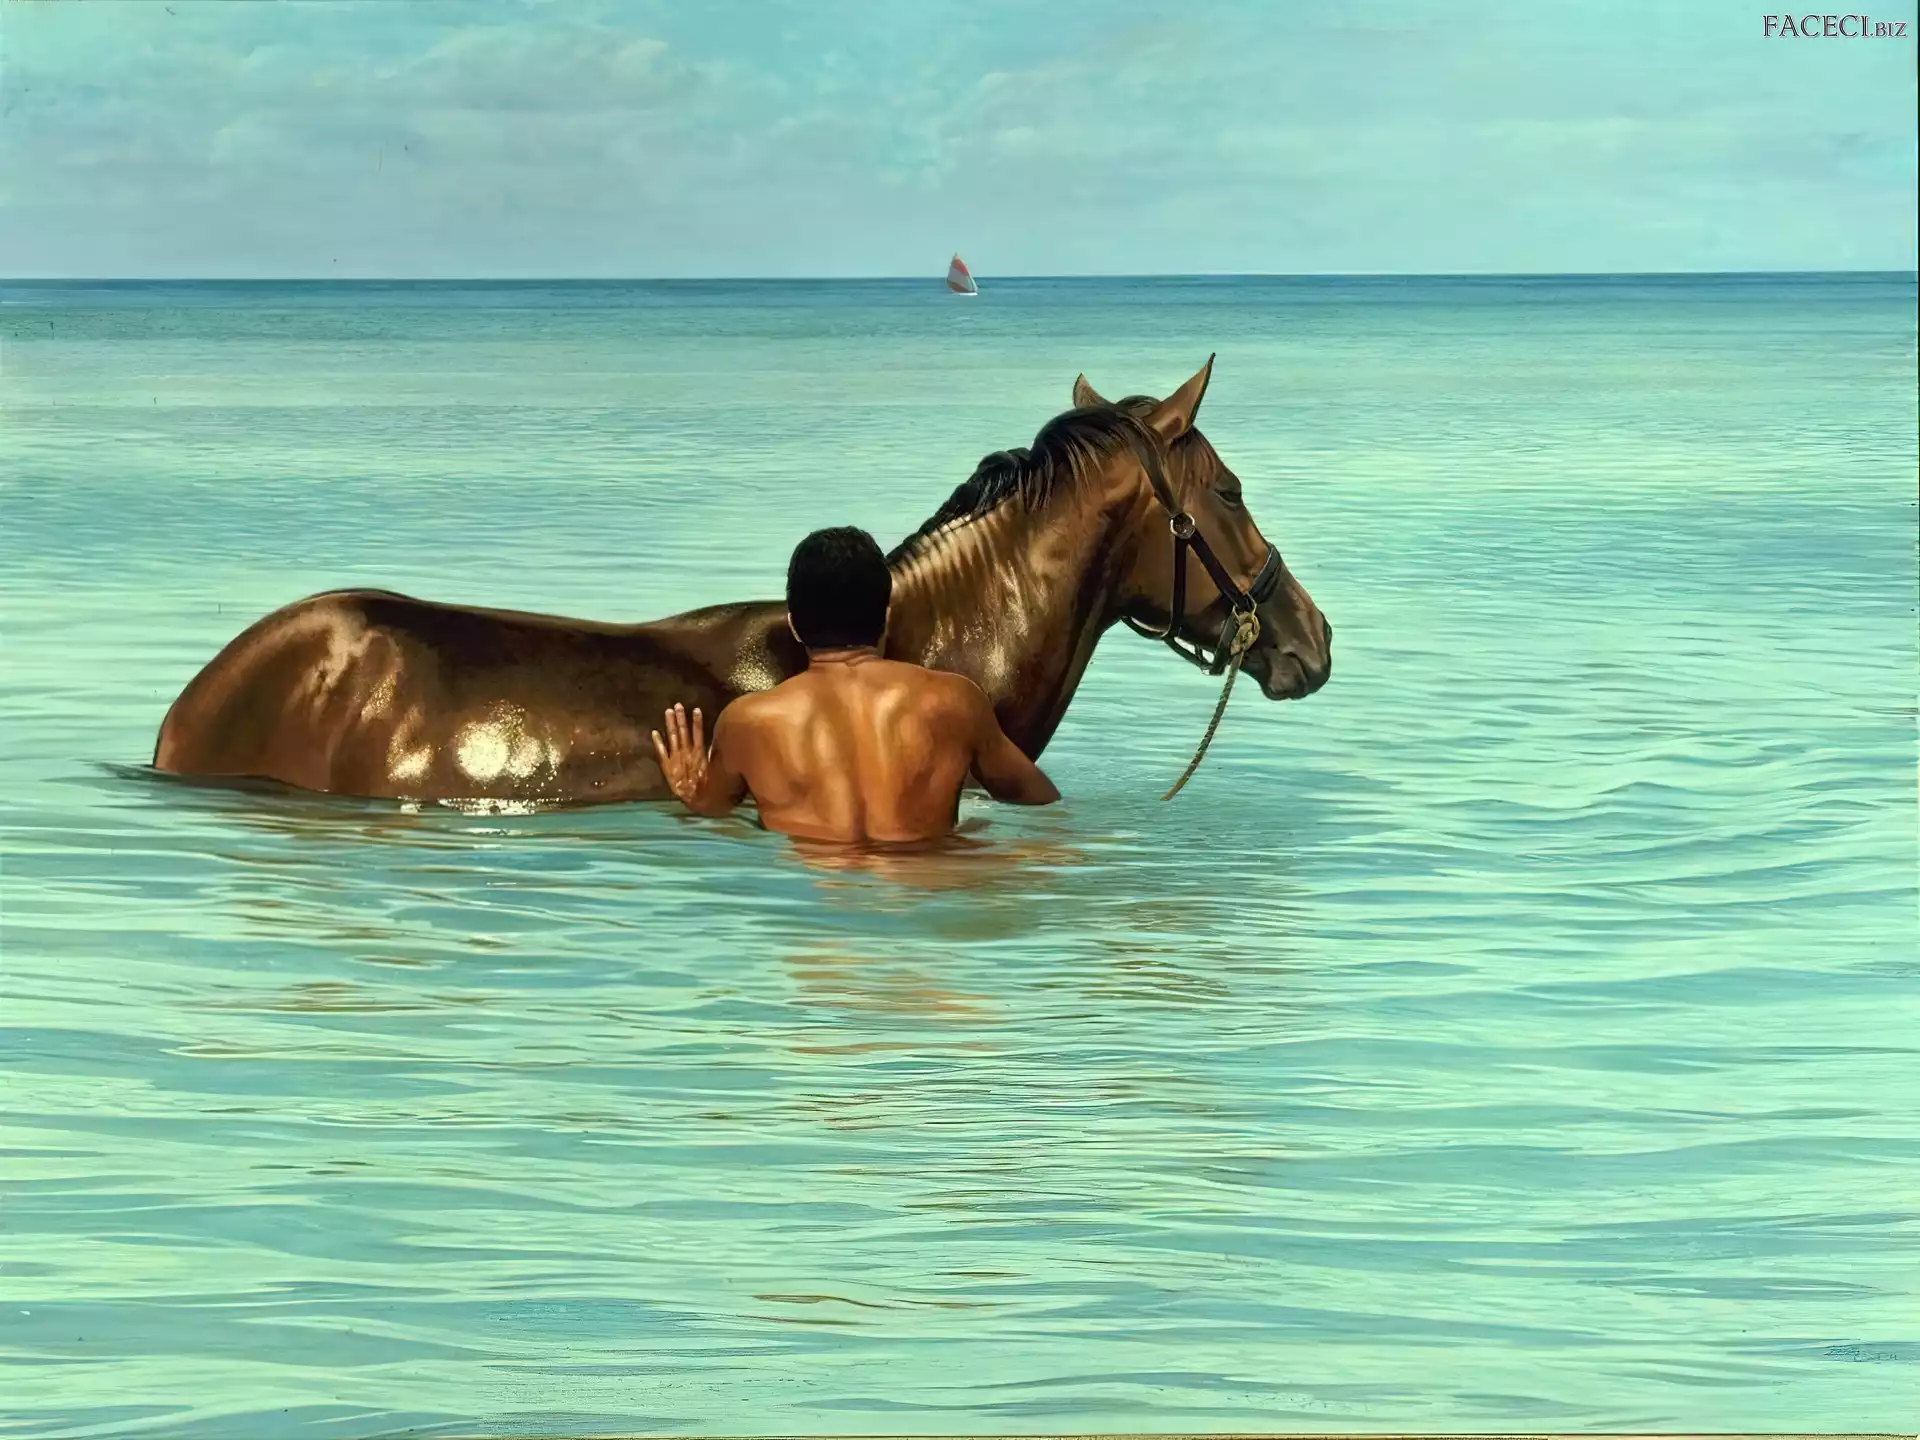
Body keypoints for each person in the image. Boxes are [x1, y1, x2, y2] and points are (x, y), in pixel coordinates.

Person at [651, 526, 1059, 843]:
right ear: (886, 616)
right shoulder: (955, 700)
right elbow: (1037, 798)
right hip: (930, 887)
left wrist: (694, 795)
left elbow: (715, 811)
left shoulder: (747, 721)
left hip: (815, 900)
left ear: (794, 624)